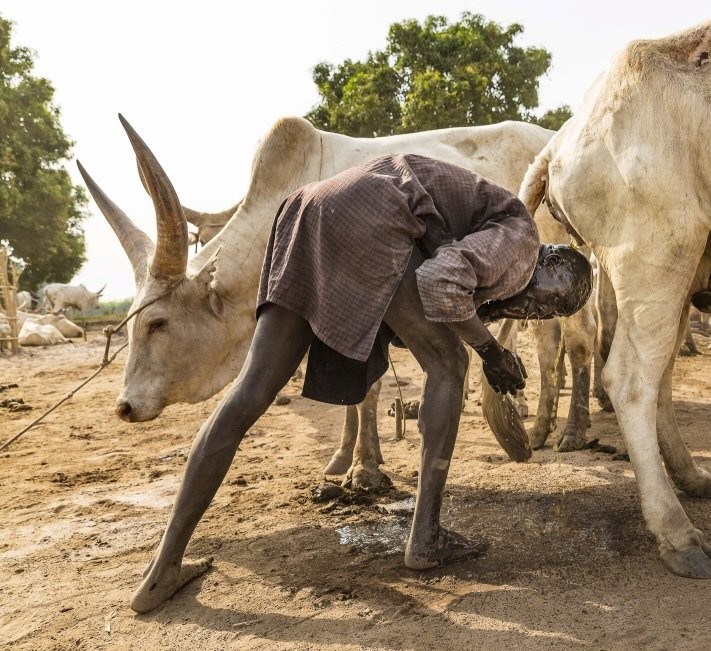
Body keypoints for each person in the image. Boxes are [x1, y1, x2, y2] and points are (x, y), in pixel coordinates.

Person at [129, 153, 592, 613]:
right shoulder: (521, 237)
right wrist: (491, 352)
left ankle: (162, 570)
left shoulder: (494, 246)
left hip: (307, 211)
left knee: (251, 391)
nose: (533, 315)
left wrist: (481, 336)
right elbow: (438, 278)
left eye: (546, 315)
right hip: (371, 211)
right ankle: (426, 538)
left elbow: (428, 290)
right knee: (450, 364)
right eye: (545, 305)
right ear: (549, 265)